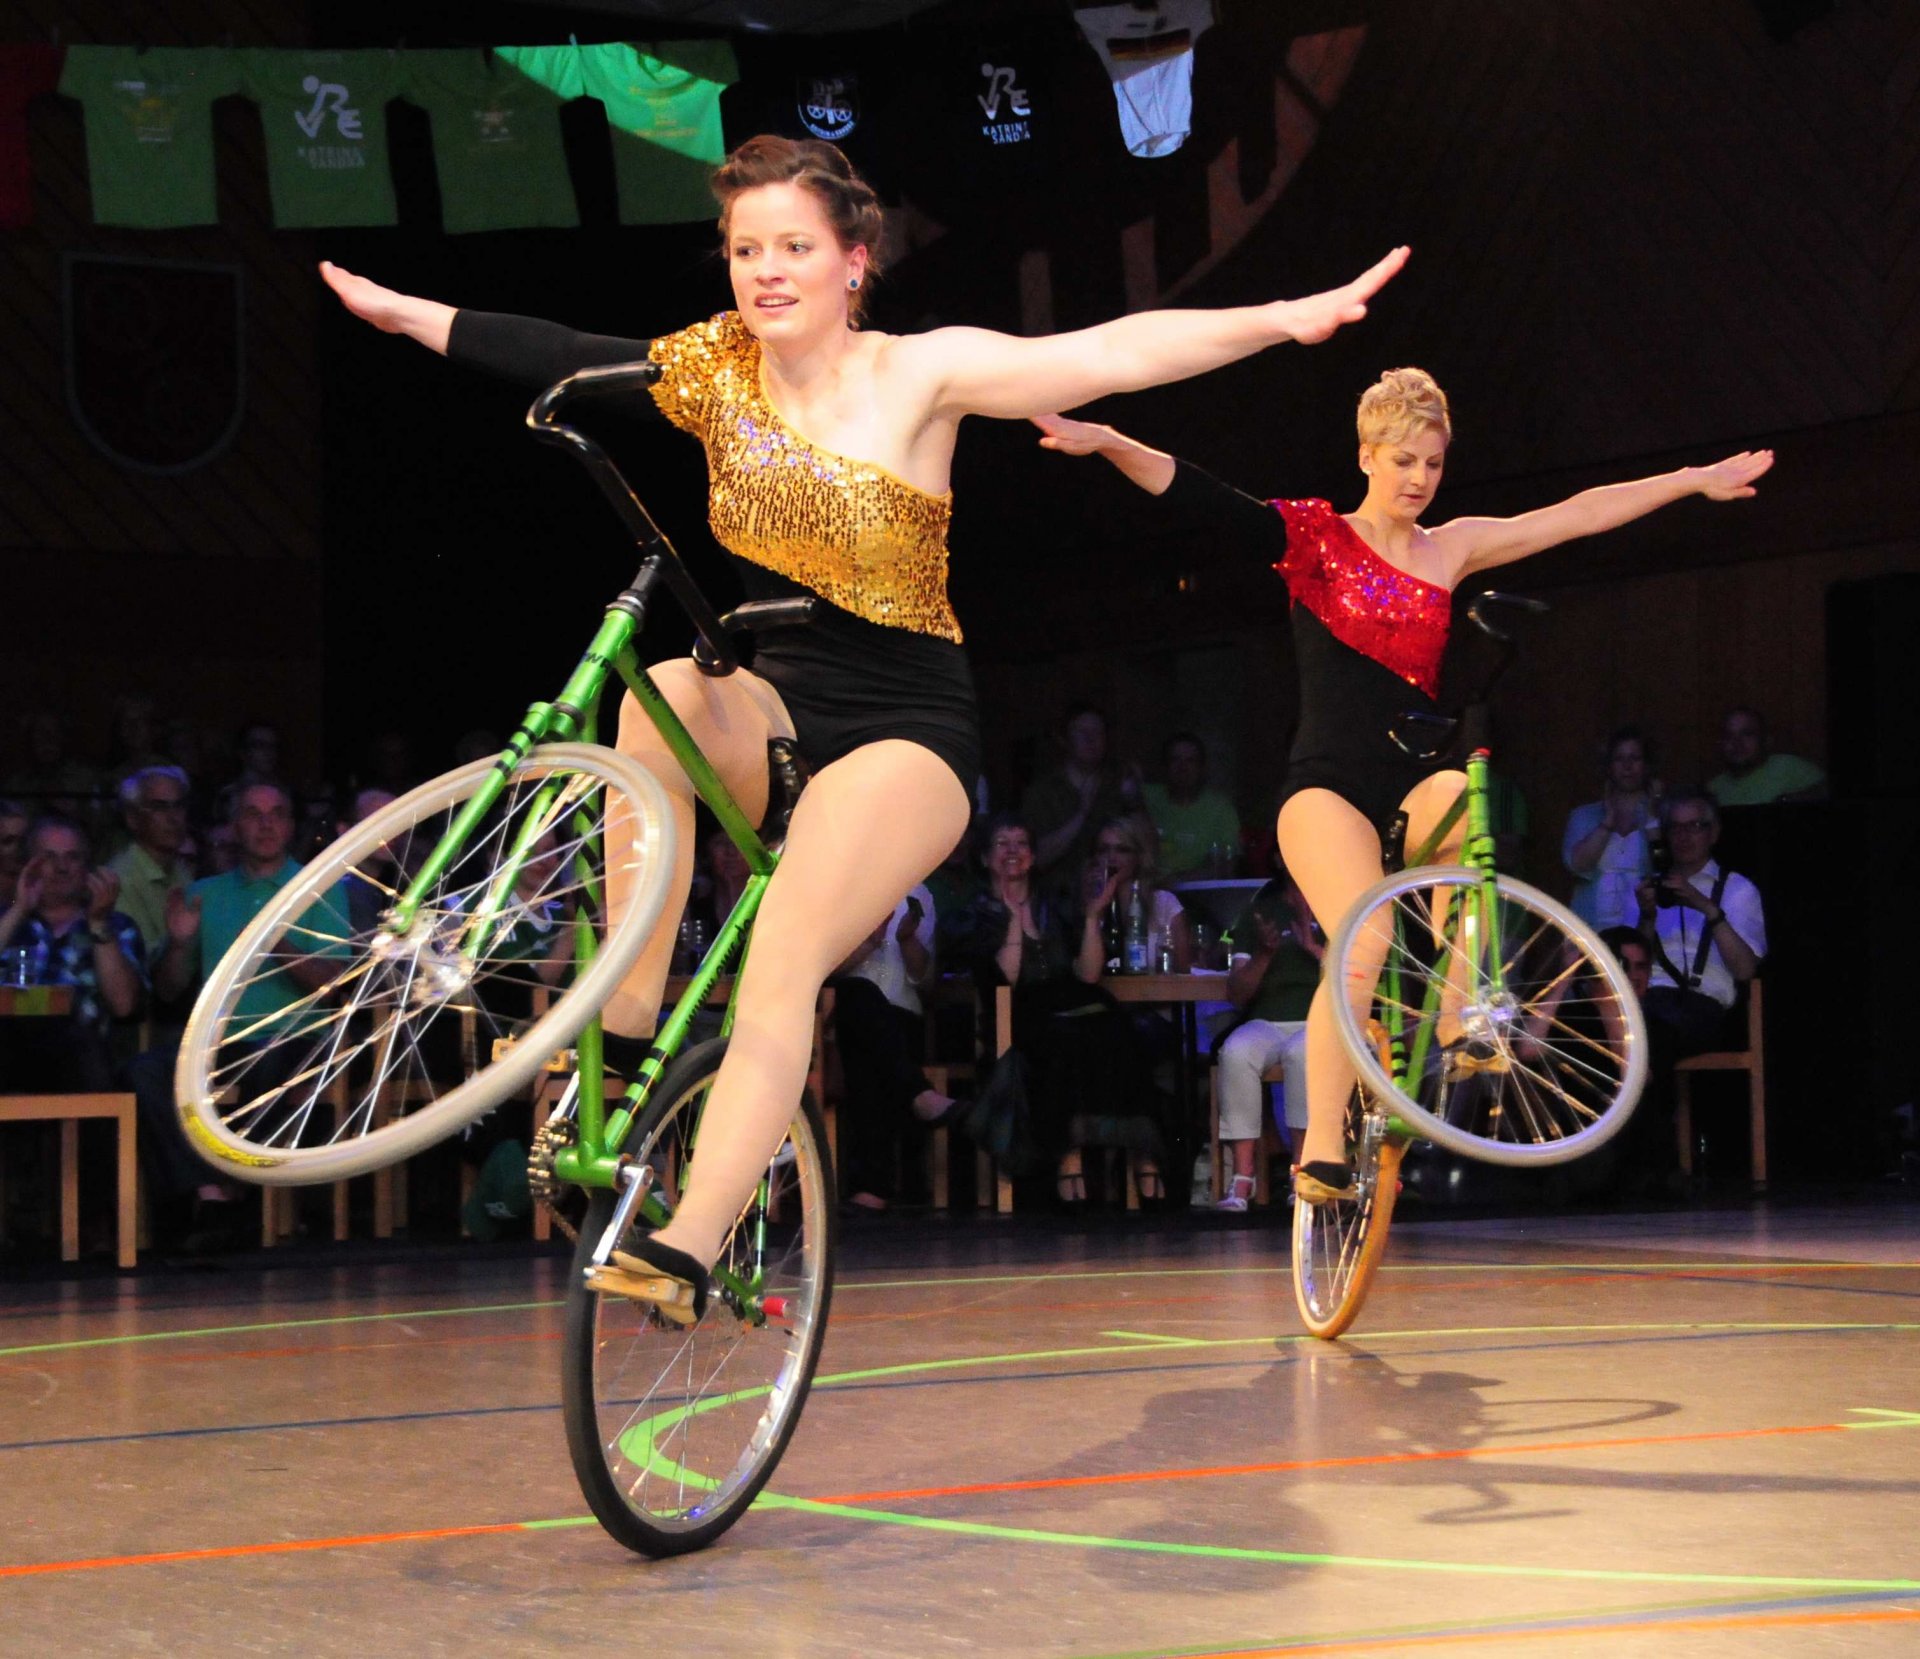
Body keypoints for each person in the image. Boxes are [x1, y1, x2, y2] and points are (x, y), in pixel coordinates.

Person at [321, 132, 1405, 1307]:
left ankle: (685, 1245)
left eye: (794, 246)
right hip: (770, 698)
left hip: (904, 727)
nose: (766, 270)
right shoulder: (713, 370)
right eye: (746, 250)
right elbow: (568, 356)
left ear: (854, 261)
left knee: (782, 960)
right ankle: (623, 1026)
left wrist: (1282, 317)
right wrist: (407, 316)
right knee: (666, 688)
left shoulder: (916, 376)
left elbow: (1104, 352)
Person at [1032, 375, 1772, 1202]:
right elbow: (1202, 493)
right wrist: (1109, 445)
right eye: (1403, 461)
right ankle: (1320, 1141)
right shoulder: (1316, 536)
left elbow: (1574, 513)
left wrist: (1690, 482)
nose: (1419, 478)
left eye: (1433, 463)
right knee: (1366, 939)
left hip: (1410, 778)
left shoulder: (1448, 547)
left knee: (1462, 795)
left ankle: (1462, 1019)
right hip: (1325, 787)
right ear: (1366, 456)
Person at [940, 812, 1161, 1204]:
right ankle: (1067, 1155)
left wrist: (1093, 915)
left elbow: (1089, 973)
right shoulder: (973, 911)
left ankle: (1144, 1155)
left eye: (1021, 843)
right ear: (986, 858)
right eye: (1002, 844)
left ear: (1033, 855)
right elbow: (1005, 979)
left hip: (1073, 998)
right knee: (1062, 1042)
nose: (1013, 852)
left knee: (1124, 1031)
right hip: (1019, 1010)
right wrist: (1010, 914)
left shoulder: (1055, 903)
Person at [829, 881, 953, 1212]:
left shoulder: (919, 893)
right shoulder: (841, 880)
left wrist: (907, 939)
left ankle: (872, 1186)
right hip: (842, 1018)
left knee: (875, 1040)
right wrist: (871, 940)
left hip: (901, 1018)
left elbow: (926, 983)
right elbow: (822, 969)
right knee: (859, 994)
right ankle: (919, 1095)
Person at [0, 815, 144, 1091]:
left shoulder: (117, 927)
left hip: (80, 1057)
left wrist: (98, 924)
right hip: (8, 1048)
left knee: (80, 1042)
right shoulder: (8, 921)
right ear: (28, 865)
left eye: (73, 857)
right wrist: (20, 909)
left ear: (87, 869)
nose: (62, 868)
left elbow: (124, 1005)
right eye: (49, 857)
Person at [1215, 874, 1320, 1211]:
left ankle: (1301, 1169)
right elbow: (1237, 994)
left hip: (1319, 1021)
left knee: (1301, 1052)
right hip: (1267, 1021)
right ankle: (1243, 1178)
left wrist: (1314, 949)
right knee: (1235, 1051)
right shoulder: (1259, 912)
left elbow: (1355, 982)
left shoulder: (1336, 906)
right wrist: (1264, 953)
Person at [1021, 704, 1144, 896]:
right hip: (1058, 902)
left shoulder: (1118, 784)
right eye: (1082, 732)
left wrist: (1134, 801)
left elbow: (1148, 851)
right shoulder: (1043, 791)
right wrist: (1081, 814)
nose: (1090, 738)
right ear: (1065, 739)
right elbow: (1036, 859)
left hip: (1114, 899)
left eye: (1097, 732)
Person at [1563, 726, 1664, 929]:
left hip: (1643, 932)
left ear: (1646, 765)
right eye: (1619, 759)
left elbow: (1663, 867)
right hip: (1591, 931)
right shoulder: (1583, 816)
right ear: (1609, 766)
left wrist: (1654, 819)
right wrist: (1607, 822)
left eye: (1634, 758)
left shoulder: (1663, 814)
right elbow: (1578, 866)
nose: (1627, 766)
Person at [1080, 813, 1191, 972]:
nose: (1111, 857)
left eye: (1122, 850)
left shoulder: (1164, 903)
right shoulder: (1088, 901)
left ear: (1139, 857)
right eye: (1103, 850)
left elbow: (1183, 972)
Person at [105, 765, 195, 960]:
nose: (173, 818)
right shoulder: (120, 880)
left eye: (178, 806)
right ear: (132, 818)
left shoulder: (182, 871)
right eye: (159, 807)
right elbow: (139, 962)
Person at [1142, 730, 1241, 880]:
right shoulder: (1145, 798)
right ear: (1165, 765)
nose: (1182, 767)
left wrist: (1177, 881)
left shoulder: (1220, 809)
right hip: (1148, 893)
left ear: (1202, 768)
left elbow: (1226, 866)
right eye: (1175, 760)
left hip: (1198, 896)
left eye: (1190, 760)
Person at [1708, 706, 1827, 806]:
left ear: (1766, 740)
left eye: (1747, 734)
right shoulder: (1714, 789)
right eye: (1729, 736)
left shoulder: (1791, 767)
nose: (1736, 743)